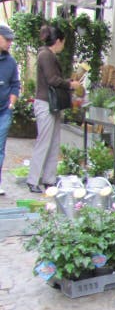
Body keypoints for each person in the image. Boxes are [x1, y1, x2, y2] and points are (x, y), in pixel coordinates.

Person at [27, 25, 80, 193]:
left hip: (52, 104)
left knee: (54, 142)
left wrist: (67, 82)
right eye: (63, 42)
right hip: (45, 103)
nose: (63, 46)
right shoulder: (46, 55)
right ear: (58, 41)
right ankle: (33, 180)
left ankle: (49, 179)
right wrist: (70, 84)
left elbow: (53, 79)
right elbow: (52, 79)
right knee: (44, 142)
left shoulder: (47, 55)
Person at [0, 24, 20, 196]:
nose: (9, 43)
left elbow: (15, 84)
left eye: (11, 40)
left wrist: (12, 102)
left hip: (4, 111)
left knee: (0, 147)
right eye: (7, 40)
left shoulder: (10, 62)